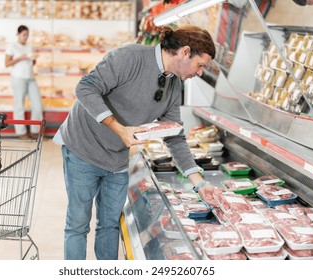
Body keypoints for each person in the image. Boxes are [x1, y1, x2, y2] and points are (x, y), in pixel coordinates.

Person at [54, 24, 217, 260]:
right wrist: (118, 128)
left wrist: (199, 182)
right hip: (83, 149)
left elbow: (174, 134)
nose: (200, 72)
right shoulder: (130, 57)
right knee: (78, 224)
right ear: (184, 52)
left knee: (109, 224)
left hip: (117, 159)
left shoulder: (173, 85)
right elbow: (85, 87)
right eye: (200, 65)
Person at [5, 25, 43, 140]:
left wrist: (34, 58)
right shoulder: (12, 47)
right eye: (24, 35)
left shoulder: (30, 47)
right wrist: (20, 58)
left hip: (30, 77)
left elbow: (33, 63)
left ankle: (35, 131)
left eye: (27, 35)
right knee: (19, 105)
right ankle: (21, 132)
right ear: (18, 34)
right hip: (18, 78)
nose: (26, 37)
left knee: (37, 104)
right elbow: (7, 63)